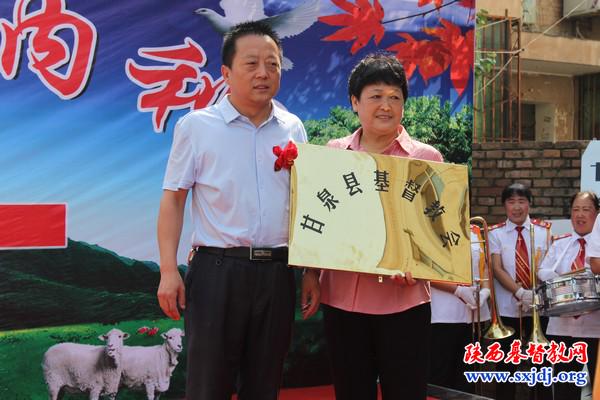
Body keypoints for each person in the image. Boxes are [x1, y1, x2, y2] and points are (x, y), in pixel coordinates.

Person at [156, 21, 320, 400]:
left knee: (265, 384)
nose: (264, 73)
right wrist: (168, 269)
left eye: (273, 63)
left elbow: (306, 205)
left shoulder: (293, 128)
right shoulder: (197, 126)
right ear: (226, 73)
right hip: (218, 272)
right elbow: (173, 200)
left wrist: (312, 270)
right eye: (251, 63)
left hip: (278, 274)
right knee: (208, 385)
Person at [319, 53, 443, 400]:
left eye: (395, 97)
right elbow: (319, 225)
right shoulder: (333, 154)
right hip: (343, 301)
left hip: (405, 302)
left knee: (406, 391)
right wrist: (312, 274)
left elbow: (437, 230)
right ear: (355, 102)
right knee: (351, 391)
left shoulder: (427, 158)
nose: (386, 106)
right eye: (375, 96)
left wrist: (418, 266)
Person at [488, 182, 552, 400]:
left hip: (538, 307)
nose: (516, 207)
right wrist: (519, 292)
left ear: (529, 204)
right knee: (506, 365)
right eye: (511, 201)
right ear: (504, 205)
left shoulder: (544, 231)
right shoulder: (495, 233)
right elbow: (496, 268)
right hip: (508, 309)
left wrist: (533, 295)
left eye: (521, 201)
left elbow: (549, 266)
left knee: (541, 365)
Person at [537, 191, 600, 400]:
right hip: (562, 327)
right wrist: (563, 279)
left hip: (595, 328)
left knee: (597, 386)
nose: (580, 215)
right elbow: (543, 271)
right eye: (575, 210)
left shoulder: (598, 249)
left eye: (586, 210)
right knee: (564, 388)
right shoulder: (560, 244)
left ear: (597, 214)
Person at [429, 224, 491, 393]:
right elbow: (425, 271)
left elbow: (483, 268)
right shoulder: (429, 226)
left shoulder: (475, 231)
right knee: (440, 376)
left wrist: (486, 291)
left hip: (473, 314)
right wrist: (458, 290)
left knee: (468, 378)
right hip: (444, 314)